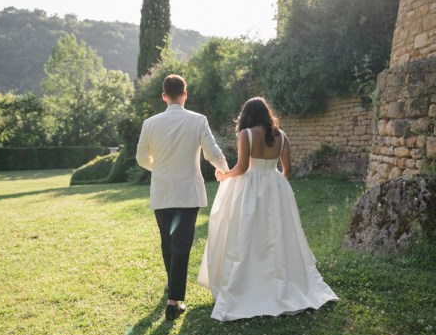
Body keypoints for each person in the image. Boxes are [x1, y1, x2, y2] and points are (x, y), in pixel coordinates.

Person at [197, 97, 338, 321]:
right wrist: (275, 186)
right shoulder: (281, 137)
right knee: (276, 234)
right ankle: (278, 281)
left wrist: (224, 176)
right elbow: (287, 169)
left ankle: (249, 283)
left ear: (247, 116)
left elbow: (242, 167)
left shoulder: (246, 135)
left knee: (247, 236)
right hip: (275, 186)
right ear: (267, 114)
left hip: (250, 189)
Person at [136, 74, 229, 321]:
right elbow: (213, 151)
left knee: (168, 242)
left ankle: (172, 288)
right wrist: (224, 170)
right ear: (185, 94)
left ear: (164, 96)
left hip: (162, 190)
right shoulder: (198, 120)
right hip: (188, 192)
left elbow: (141, 158)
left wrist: (161, 168)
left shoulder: (150, 123)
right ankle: (173, 300)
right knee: (181, 245)